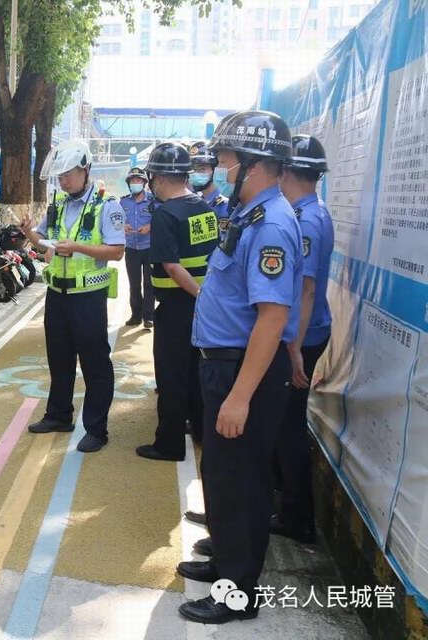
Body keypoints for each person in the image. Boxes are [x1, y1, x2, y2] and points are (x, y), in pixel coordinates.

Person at [176, 110, 303, 625]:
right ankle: (227, 561)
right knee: (222, 476)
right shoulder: (249, 215)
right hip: (223, 367)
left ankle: (238, 594)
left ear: (253, 165)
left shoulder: (272, 225)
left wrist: (241, 395)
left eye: (227, 160)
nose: (220, 168)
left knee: (243, 482)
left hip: (242, 373)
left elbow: (273, 318)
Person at [18, 139, 126, 453]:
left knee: (95, 364)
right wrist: (29, 233)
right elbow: (45, 244)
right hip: (57, 296)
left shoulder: (107, 205)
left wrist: (77, 247)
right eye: (60, 175)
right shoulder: (58, 205)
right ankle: (59, 415)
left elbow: (117, 251)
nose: (63, 180)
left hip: (88, 298)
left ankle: (96, 429)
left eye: (68, 174)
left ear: (85, 170)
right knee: (59, 359)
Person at [134, 143, 220, 463]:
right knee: (196, 371)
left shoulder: (166, 215)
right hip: (202, 307)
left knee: (170, 376)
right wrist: (206, 298)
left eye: (152, 176)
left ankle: (168, 444)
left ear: (158, 177)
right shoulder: (204, 208)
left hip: (177, 305)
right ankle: (199, 429)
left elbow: (171, 266)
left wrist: (197, 294)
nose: (151, 182)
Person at [273, 134, 334, 544]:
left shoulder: (305, 221)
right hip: (305, 332)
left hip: (303, 335)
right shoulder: (308, 211)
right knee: (284, 423)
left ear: (289, 171)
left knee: (288, 426)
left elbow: (306, 290)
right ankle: (285, 503)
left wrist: (294, 348)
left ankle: (296, 517)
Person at [119, 166, 155, 328]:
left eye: (138, 180)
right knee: (134, 283)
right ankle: (136, 315)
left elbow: (161, 219)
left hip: (148, 248)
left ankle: (149, 317)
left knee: (149, 283)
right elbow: (116, 220)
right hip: (131, 248)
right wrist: (122, 225)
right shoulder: (123, 201)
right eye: (132, 181)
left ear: (144, 183)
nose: (135, 183)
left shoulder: (153, 201)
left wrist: (150, 226)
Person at [187, 141, 231, 235]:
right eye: (193, 169)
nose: (196, 173)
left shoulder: (224, 205)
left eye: (202, 169)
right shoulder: (200, 200)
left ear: (215, 170)